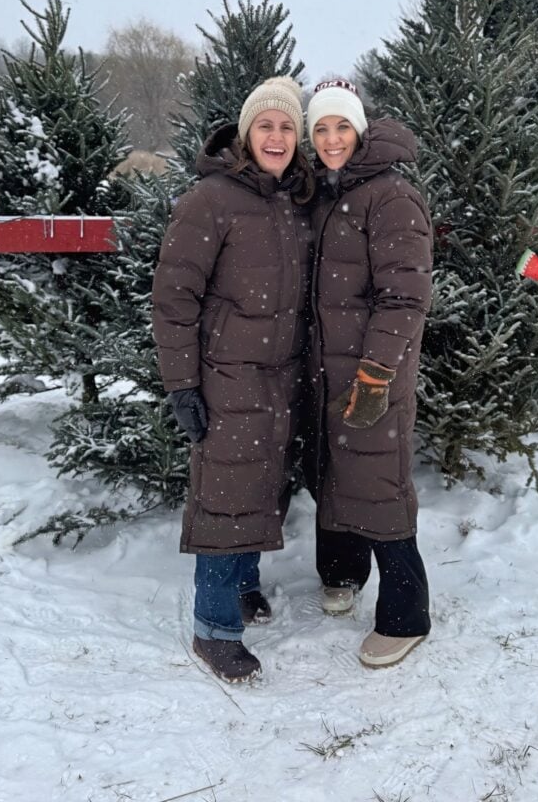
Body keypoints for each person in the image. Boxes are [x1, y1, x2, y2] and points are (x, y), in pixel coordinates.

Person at [152, 76, 313, 684]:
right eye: (266, 125)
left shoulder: (295, 200)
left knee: (262, 484)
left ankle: (245, 585)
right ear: (247, 133)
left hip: (283, 376)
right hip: (226, 375)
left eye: (287, 126)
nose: (277, 136)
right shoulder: (209, 201)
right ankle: (214, 630)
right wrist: (181, 384)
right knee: (224, 497)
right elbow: (173, 299)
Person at [304, 77, 434, 668]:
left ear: (360, 130)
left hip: (370, 374)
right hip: (322, 371)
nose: (332, 138)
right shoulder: (324, 193)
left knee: (378, 483)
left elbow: (405, 297)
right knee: (332, 471)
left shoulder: (391, 196)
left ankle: (406, 614)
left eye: (341, 126)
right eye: (321, 128)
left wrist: (377, 372)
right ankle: (343, 571)